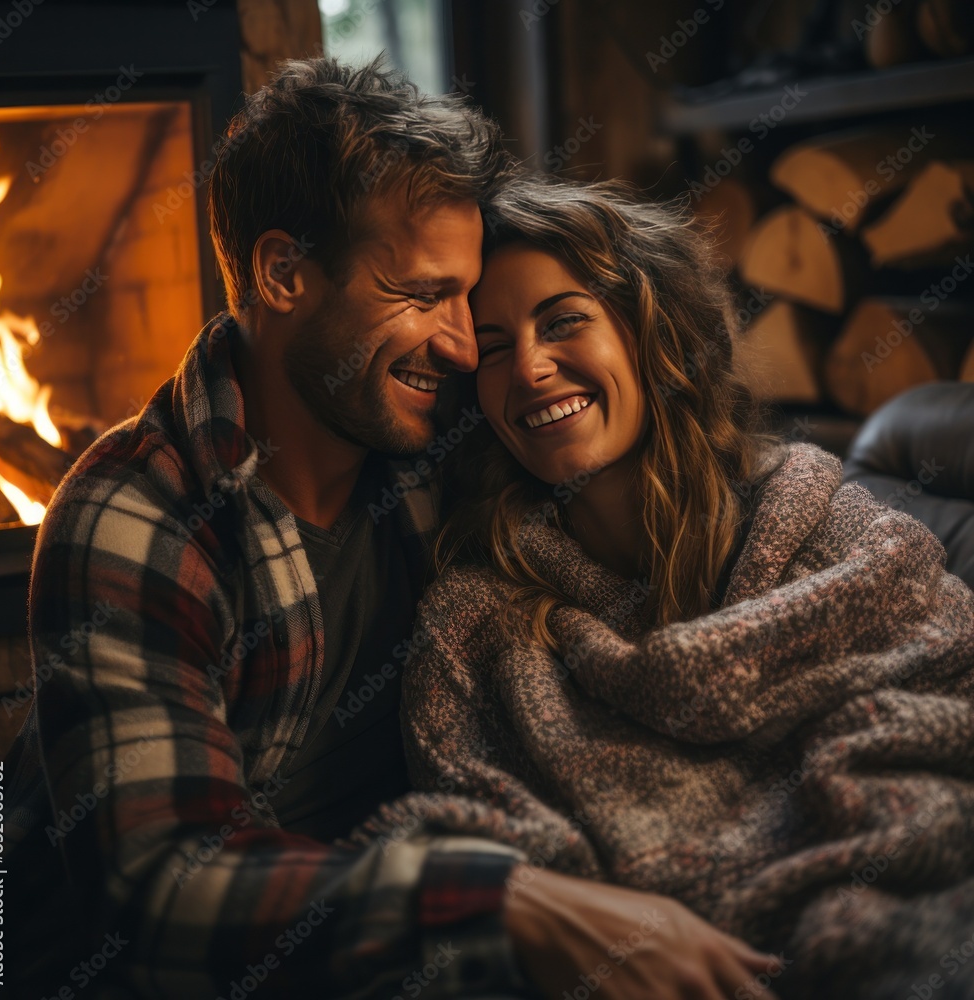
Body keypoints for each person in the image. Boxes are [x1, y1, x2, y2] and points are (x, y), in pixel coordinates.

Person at [0, 59, 780, 1000]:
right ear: (283, 273)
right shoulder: (137, 513)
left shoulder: (442, 436)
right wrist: (500, 901)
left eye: (463, 297)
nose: (457, 339)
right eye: (419, 293)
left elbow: (644, 442)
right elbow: (162, 891)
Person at [347, 176, 974, 1000]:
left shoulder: (845, 540)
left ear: (651, 333)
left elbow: (946, 734)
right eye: (493, 346)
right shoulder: (476, 630)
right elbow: (474, 849)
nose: (530, 368)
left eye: (564, 320)